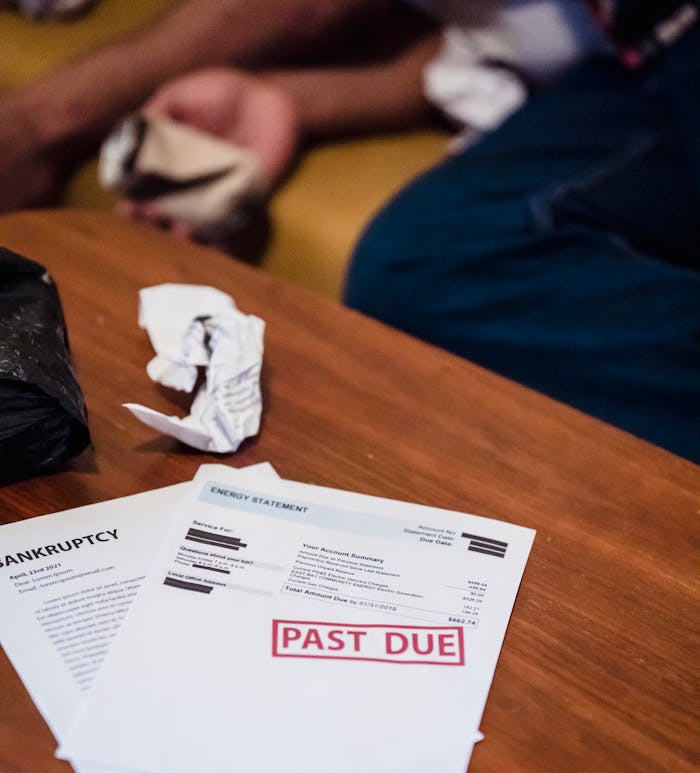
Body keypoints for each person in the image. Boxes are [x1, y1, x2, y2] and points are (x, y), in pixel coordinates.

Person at [1, 0, 697, 460]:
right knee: (420, 267)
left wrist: (44, 123)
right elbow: (517, 35)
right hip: (638, 59)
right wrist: (296, 101)